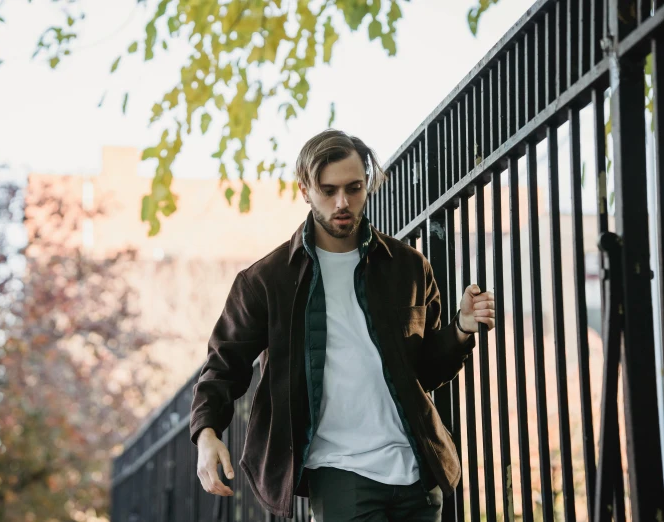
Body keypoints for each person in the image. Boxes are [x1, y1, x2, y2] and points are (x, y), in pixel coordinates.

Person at [190, 129, 496, 521]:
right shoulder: (267, 281)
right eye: (328, 190)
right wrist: (206, 433)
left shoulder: (407, 267)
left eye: (354, 188)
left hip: (417, 471)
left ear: (367, 184)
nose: (342, 202)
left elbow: (424, 372)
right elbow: (223, 364)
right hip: (339, 473)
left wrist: (461, 329)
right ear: (304, 190)